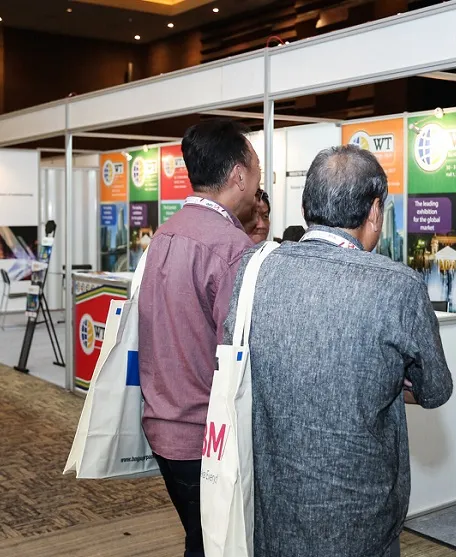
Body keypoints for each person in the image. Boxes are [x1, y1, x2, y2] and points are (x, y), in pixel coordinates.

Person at [223, 145, 453, 557]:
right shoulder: (398, 286)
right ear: (375, 211)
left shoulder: (255, 268)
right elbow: (435, 390)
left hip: (273, 506)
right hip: (363, 516)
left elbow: (235, 362)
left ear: (305, 207)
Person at [138, 119, 259, 557]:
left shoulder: (165, 233)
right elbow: (241, 352)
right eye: (257, 170)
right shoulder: (232, 248)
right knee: (219, 544)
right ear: (239, 176)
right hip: (206, 437)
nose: (258, 182)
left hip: (162, 425)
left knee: (202, 539)